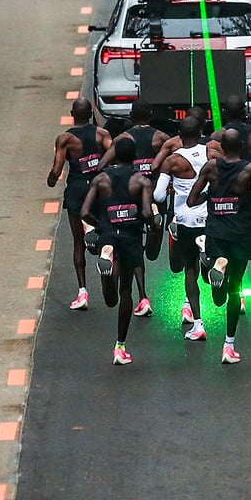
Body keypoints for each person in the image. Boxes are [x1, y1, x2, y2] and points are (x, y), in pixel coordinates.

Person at [187, 129, 251, 364]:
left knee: (218, 296)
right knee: (235, 289)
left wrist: (211, 198)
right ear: (241, 146)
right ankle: (228, 345)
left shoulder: (211, 167)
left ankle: (217, 265)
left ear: (222, 146)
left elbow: (192, 200)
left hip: (216, 232)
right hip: (240, 232)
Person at [80, 137, 155, 365]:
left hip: (108, 235)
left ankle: (106, 272)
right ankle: (120, 346)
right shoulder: (141, 181)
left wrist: (101, 224)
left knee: (109, 299)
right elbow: (146, 212)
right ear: (134, 157)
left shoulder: (101, 179)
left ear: (115, 155)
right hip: (131, 236)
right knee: (126, 293)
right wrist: (152, 225)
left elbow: (84, 212)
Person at [98, 100, 170, 317]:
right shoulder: (161, 138)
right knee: (144, 246)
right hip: (151, 193)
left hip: (127, 194)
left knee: (131, 246)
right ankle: (144, 295)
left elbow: (101, 165)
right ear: (151, 114)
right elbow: (171, 161)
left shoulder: (122, 140)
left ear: (130, 115)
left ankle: (140, 295)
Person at [47, 98, 112, 310]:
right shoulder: (101, 134)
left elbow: (57, 171)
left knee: (77, 241)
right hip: (98, 188)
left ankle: (82, 292)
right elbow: (114, 155)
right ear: (90, 114)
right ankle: (108, 280)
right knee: (107, 236)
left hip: (76, 189)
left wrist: (50, 179)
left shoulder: (65, 139)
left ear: (72, 113)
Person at [153, 116, 210, 340]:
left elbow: (158, 195)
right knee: (212, 269)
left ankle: (198, 323)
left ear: (179, 134)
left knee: (189, 269)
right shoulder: (212, 153)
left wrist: (172, 189)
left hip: (185, 218)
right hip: (209, 217)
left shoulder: (173, 161)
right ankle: (214, 264)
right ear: (201, 132)